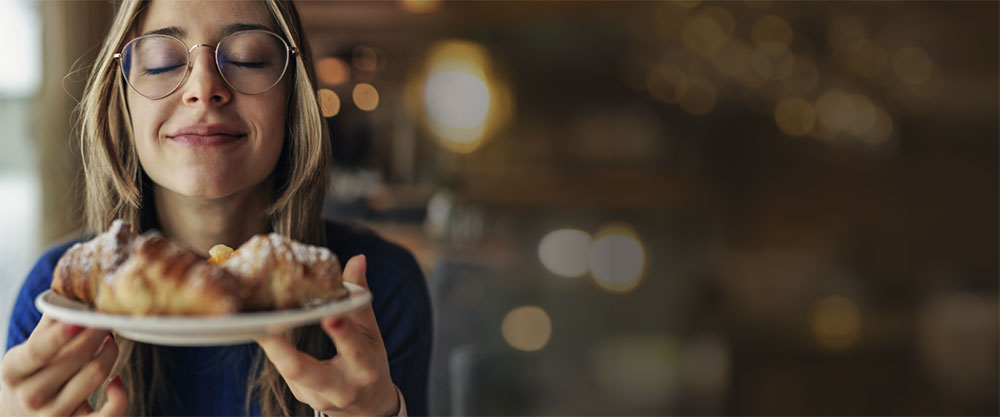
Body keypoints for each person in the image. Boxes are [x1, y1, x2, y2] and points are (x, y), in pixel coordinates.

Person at [0, 0, 432, 415]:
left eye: (247, 59)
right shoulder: (60, 298)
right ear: (122, 99)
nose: (204, 88)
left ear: (292, 95)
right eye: (161, 62)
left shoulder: (378, 290)